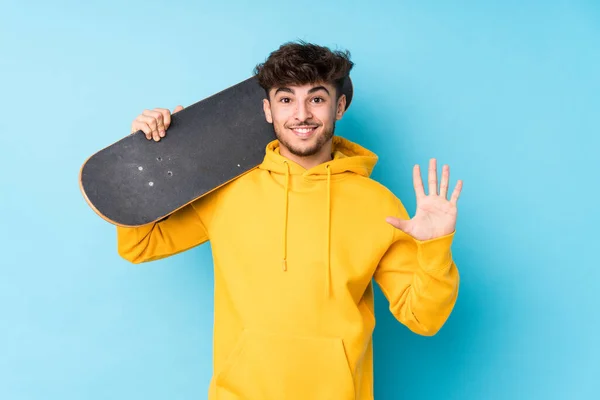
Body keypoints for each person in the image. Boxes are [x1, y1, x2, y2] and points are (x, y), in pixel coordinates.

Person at [117, 41, 462, 400]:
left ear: (339, 106)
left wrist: (434, 248)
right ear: (267, 110)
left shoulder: (377, 204)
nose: (301, 115)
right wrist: (144, 159)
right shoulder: (227, 192)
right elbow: (140, 245)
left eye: (316, 99)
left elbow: (424, 318)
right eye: (286, 99)